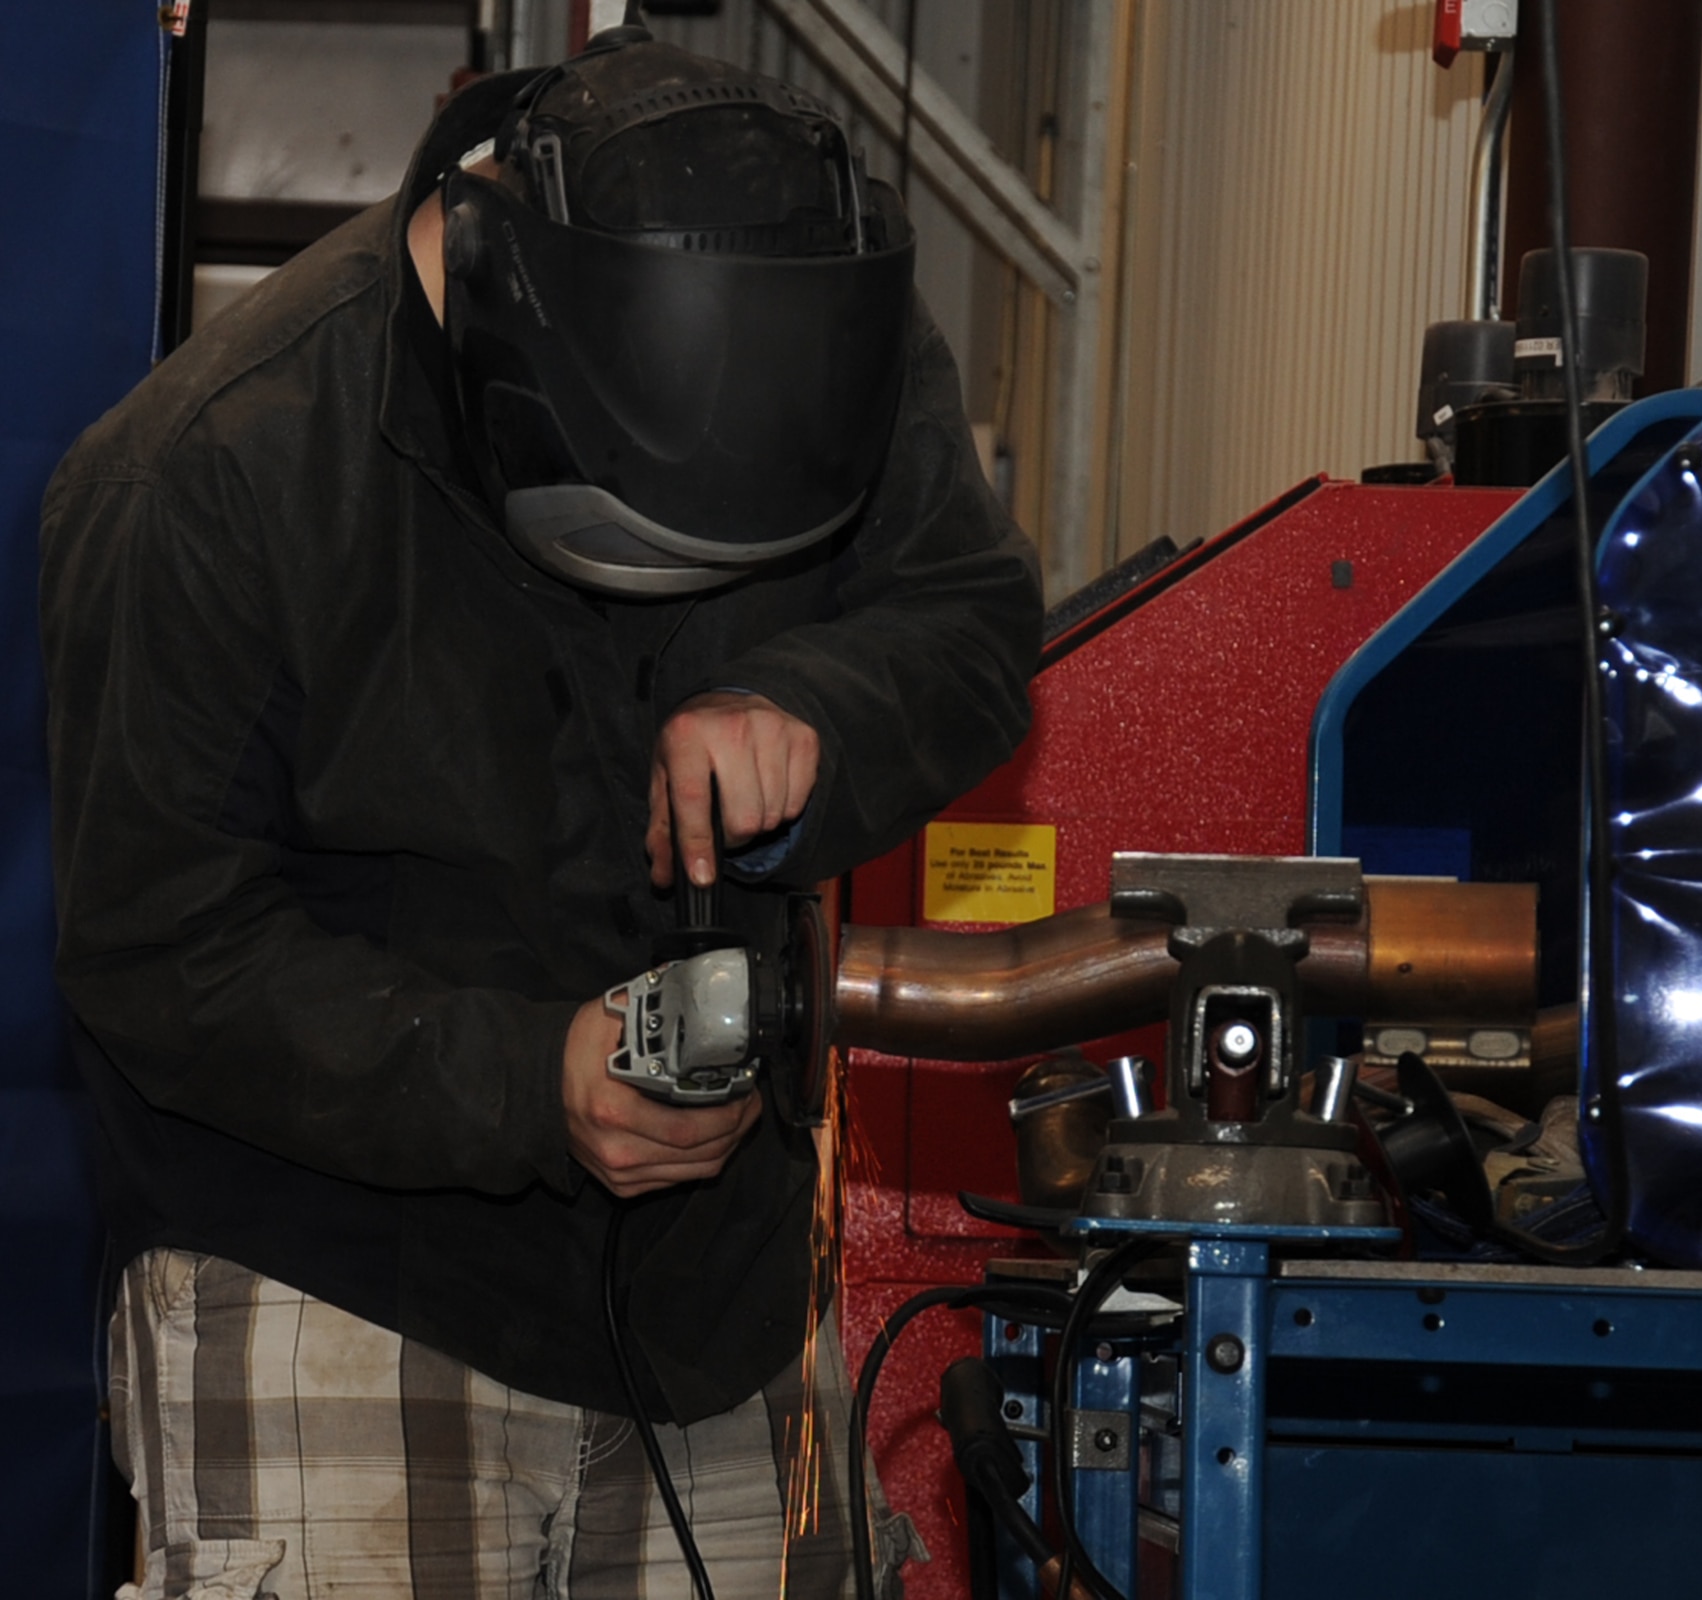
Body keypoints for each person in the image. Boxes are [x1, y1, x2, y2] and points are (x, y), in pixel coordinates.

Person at [40, 31, 1041, 1600]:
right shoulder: (199, 482)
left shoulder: (814, 328)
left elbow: (971, 620)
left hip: (717, 1304)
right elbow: (161, 953)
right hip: (342, 1279)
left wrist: (810, 704)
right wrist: (530, 1080)